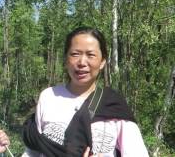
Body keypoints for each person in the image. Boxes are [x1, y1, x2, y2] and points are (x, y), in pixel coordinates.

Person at [22, 27, 149, 157]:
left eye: (91, 55)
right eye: (75, 54)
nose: (82, 62)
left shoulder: (114, 105)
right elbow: (33, 150)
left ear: (102, 62)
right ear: (66, 59)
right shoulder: (49, 97)